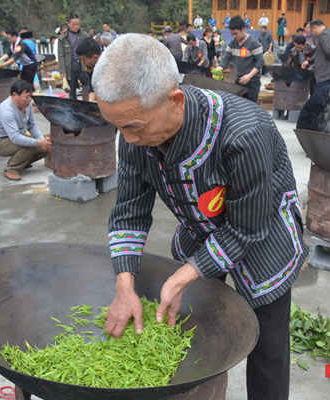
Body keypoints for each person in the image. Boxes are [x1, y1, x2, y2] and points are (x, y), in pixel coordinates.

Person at [92, 33, 307, 400]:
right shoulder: (134, 136)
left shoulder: (245, 131)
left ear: (175, 101)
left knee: (267, 346)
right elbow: (129, 212)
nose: (126, 140)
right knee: (199, 332)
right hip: (200, 232)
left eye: (133, 127)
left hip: (264, 237)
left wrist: (178, 279)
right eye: (118, 128)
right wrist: (124, 285)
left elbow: (245, 229)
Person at [0, 80, 51, 181]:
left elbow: (32, 125)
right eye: (26, 97)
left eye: (30, 96)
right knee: (30, 146)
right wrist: (38, 142)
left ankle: (23, 162)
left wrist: (41, 140)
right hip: (0, 142)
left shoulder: (28, 105)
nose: (29, 100)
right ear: (14, 95)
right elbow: (15, 138)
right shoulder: (6, 110)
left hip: (15, 137)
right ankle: (11, 169)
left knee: (46, 146)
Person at [220, 16, 264, 102]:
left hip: (252, 83)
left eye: (236, 33)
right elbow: (226, 59)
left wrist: (249, 76)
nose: (234, 36)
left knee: (251, 109)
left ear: (243, 29)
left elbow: (260, 62)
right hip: (239, 81)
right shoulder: (232, 44)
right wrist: (219, 68)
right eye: (232, 34)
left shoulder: (253, 43)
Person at [57, 14, 90, 100]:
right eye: (74, 24)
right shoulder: (63, 38)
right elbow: (61, 56)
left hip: (83, 65)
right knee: (72, 92)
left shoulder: (85, 36)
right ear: (68, 24)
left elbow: (90, 51)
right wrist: (63, 74)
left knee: (86, 88)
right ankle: (74, 109)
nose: (76, 26)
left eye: (78, 24)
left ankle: (86, 107)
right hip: (70, 66)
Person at [305, 19, 330, 94]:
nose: (313, 33)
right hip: (325, 74)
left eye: (312, 31)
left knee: (322, 96)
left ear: (315, 28)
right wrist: (309, 61)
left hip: (326, 73)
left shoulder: (324, 35)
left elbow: (328, 51)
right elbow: (319, 53)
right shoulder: (327, 34)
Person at [76, 37, 102, 102]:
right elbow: (92, 89)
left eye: (83, 60)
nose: (82, 63)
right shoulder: (90, 67)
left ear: (95, 57)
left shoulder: (110, 68)